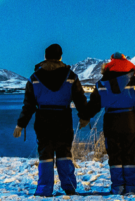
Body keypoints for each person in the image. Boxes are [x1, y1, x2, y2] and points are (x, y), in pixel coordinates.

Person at [77, 52, 135, 195]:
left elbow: (94, 105)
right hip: (129, 120)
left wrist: (84, 117)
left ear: (110, 64)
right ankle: (131, 187)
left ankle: (117, 187)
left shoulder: (102, 83)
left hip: (111, 120)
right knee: (130, 154)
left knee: (114, 155)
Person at [14, 44, 88, 196]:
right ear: (60, 56)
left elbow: (28, 105)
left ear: (45, 57)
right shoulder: (71, 76)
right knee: (64, 153)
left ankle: (44, 189)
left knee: (45, 154)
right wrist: (84, 117)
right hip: (64, 118)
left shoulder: (34, 78)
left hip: (43, 119)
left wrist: (21, 125)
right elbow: (80, 99)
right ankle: (69, 187)